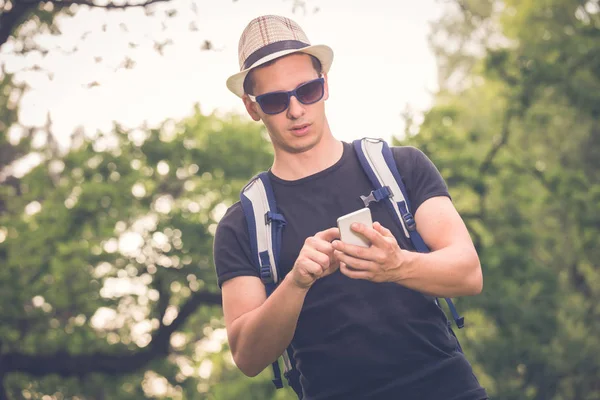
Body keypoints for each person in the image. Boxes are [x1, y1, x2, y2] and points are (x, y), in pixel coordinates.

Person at [213, 15, 488, 400]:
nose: (295, 110)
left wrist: (398, 265)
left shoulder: (400, 167)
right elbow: (247, 355)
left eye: (306, 91)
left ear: (325, 85)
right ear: (252, 107)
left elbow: (468, 273)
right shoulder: (242, 223)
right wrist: (296, 283)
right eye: (275, 100)